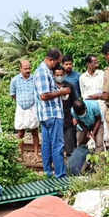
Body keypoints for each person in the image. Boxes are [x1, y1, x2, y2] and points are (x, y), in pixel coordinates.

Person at [34, 49, 69, 178]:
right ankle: (60, 175)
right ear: (51, 60)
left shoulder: (44, 71)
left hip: (46, 115)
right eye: (57, 62)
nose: (57, 66)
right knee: (58, 145)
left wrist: (58, 90)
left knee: (47, 145)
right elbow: (44, 95)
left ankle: (48, 172)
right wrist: (62, 92)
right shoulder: (43, 72)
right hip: (52, 114)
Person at [10, 60, 40, 159]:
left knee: (35, 131)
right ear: (20, 69)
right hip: (21, 108)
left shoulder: (34, 79)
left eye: (29, 68)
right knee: (20, 132)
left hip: (32, 107)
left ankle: (36, 154)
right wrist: (21, 101)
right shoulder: (15, 80)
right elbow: (13, 94)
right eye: (25, 68)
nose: (28, 70)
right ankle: (21, 154)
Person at [53, 65, 77, 157]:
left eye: (61, 75)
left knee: (69, 142)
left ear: (64, 75)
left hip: (68, 118)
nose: (59, 77)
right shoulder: (52, 87)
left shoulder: (69, 86)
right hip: (55, 118)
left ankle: (69, 165)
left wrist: (75, 117)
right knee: (56, 143)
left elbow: (74, 101)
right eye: (57, 75)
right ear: (54, 75)